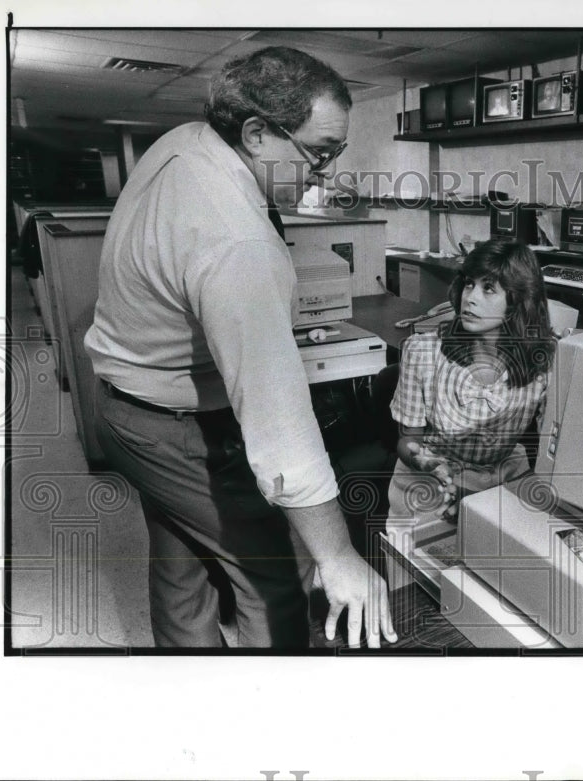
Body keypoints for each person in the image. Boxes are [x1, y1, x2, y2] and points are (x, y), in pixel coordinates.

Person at [84, 47, 396, 649]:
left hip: (126, 409)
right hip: (171, 427)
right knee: (279, 570)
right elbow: (279, 426)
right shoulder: (238, 242)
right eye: (319, 152)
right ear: (256, 133)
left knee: (183, 566)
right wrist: (336, 555)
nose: (324, 172)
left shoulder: (189, 141)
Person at [385, 240, 556, 564]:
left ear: (518, 300)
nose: (470, 298)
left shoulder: (544, 361)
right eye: (468, 284)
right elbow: (408, 441)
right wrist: (426, 462)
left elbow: (557, 445)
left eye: (488, 289)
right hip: (431, 486)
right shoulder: (423, 352)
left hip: (504, 481)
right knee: (421, 596)